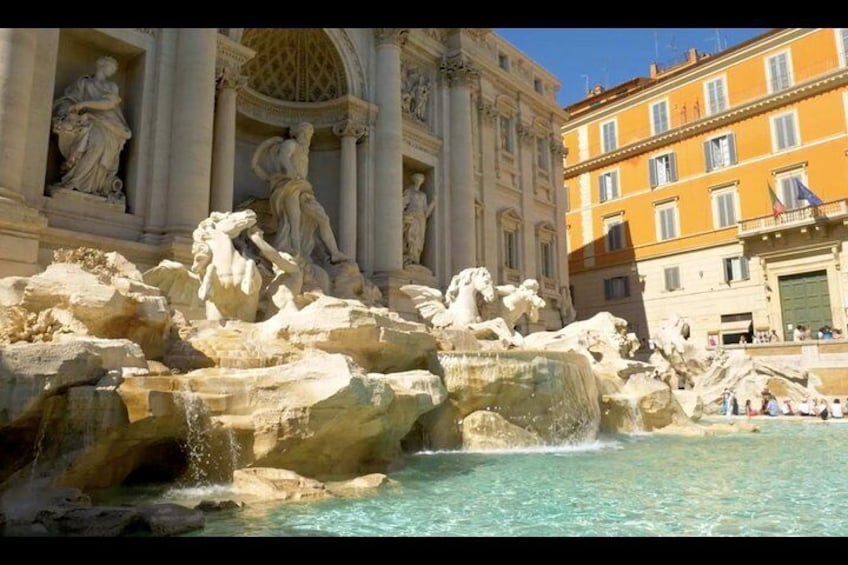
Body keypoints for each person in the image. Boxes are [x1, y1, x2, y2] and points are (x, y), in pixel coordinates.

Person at [251, 122, 347, 264]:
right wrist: (290, 170)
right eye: (305, 133)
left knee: (323, 218)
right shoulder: (291, 144)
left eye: (309, 134)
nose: (307, 137)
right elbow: (283, 157)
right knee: (294, 221)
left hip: (304, 189)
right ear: (298, 133)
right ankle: (297, 254)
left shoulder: (303, 150)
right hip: (289, 186)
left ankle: (335, 253)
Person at [51, 56, 132, 201]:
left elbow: (108, 104)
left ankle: (82, 183)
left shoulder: (111, 87)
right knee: (94, 143)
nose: (112, 70)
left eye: (114, 69)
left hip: (108, 124)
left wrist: (83, 105)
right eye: (110, 66)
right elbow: (70, 100)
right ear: (100, 64)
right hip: (87, 121)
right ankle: (76, 182)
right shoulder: (83, 83)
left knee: (98, 143)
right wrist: (69, 110)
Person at [401, 173, 435, 266]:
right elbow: (402, 204)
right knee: (410, 236)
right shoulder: (409, 192)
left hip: (421, 219)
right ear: (414, 180)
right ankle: (409, 257)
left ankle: (415, 258)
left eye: (420, 180)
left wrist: (433, 202)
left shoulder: (423, 195)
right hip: (412, 217)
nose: (419, 181)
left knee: (419, 240)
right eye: (417, 179)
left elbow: (426, 212)